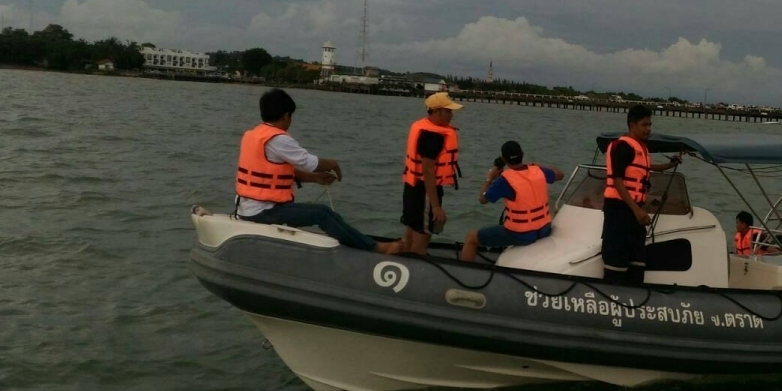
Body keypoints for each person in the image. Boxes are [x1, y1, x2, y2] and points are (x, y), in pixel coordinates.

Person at [235, 89, 389, 253]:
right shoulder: (278, 139)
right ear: (286, 116)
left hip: (246, 208)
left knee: (318, 212)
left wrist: (315, 178)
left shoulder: (253, 135)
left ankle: (358, 240)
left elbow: (273, 174)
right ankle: (375, 247)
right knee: (323, 213)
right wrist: (333, 164)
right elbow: (309, 163)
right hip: (263, 211)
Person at [601, 105, 682, 285]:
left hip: (635, 211)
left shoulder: (642, 148)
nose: (648, 129)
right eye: (644, 125)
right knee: (616, 262)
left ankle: (634, 292)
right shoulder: (621, 146)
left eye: (650, 124)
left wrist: (671, 164)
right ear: (632, 125)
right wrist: (637, 210)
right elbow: (617, 181)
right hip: (619, 210)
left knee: (637, 263)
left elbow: (648, 168)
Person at [459, 141, 563, 262]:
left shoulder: (504, 180)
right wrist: (536, 165)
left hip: (521, 234)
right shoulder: (538, 171)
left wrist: (489, 178)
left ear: (504, 159)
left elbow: (483, 199)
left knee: (471, 238)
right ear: (522, 154)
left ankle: (467, 269)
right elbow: (560, 175)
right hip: (544, 229)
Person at [387, 92, 462, 257]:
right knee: (422, 234)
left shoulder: (423, 127)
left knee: (412, 226)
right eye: (448, 111)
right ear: (436, 112)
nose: (451, 115)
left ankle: (401, 258)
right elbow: (428, 172)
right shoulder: (433, 136)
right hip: (425, 191)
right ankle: (416, 262)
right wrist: (436, 207)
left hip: (412, 186)